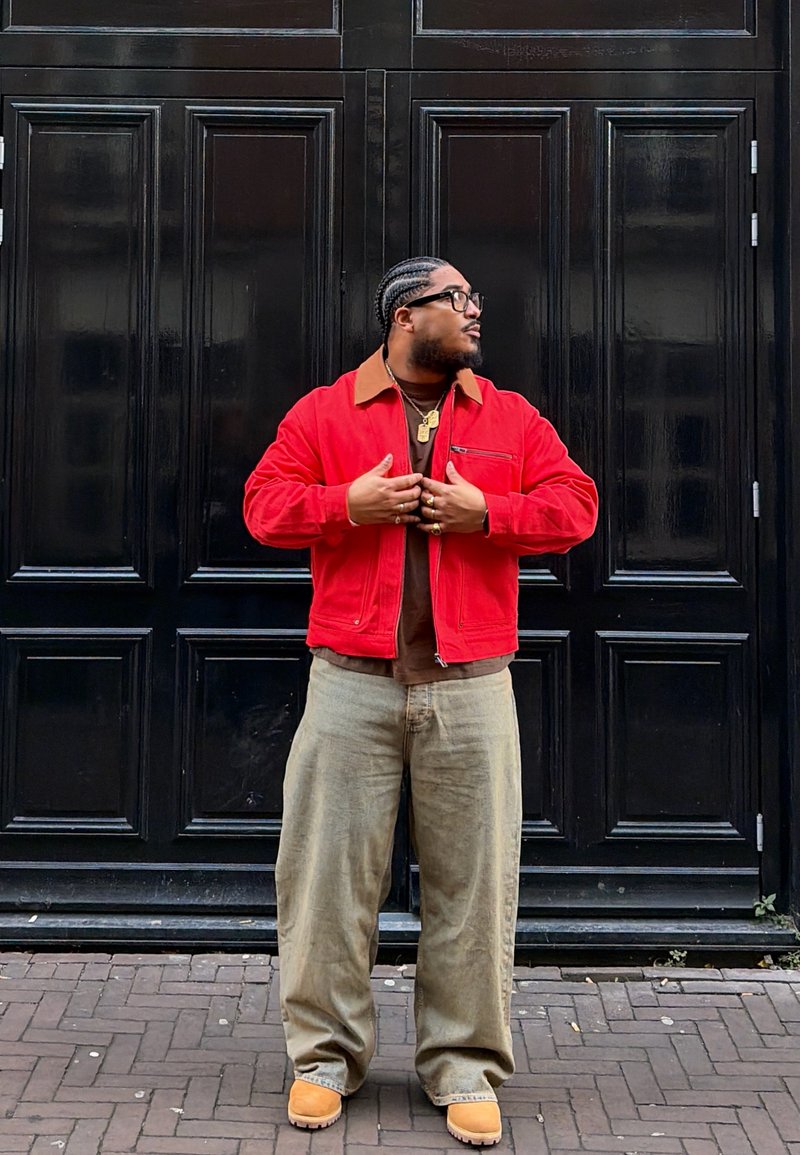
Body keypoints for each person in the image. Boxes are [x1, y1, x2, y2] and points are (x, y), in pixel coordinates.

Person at [243, 255, 598, 1146]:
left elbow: (577, 506)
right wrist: (346, 503)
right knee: (326, 880)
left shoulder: (509, 415)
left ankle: (464, 1064)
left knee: (474, 885)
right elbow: (262, 506)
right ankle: (323, 1059)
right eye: (457, 298)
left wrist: (492, 515)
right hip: (348, 683)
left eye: (475, 298)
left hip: (473, 687)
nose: (475, 311)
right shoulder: (325, 411)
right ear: (406, 314)